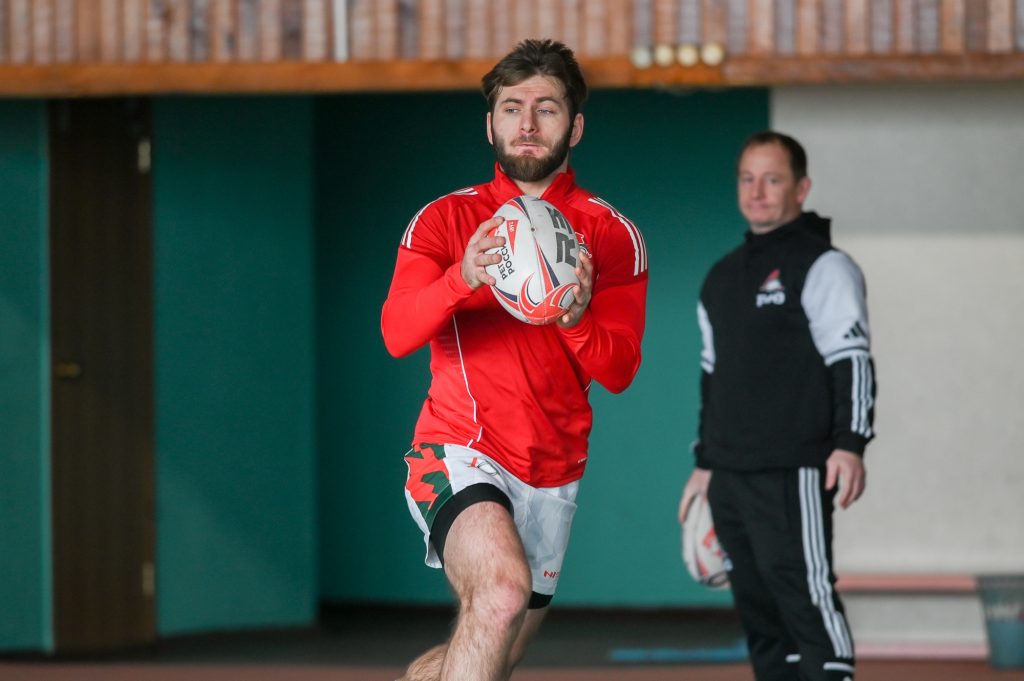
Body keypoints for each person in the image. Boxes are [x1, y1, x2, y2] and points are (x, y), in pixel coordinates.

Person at [381, 39, 648, 681]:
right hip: (457, 450)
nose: (527, 124)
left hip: (553, 473)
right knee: (501, 594)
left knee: (492, 648)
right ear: (490, 124)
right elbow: (396, 332)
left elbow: (619, 370)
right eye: (511, 108)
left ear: (574, 127)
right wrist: (461, 278)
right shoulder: (445, 220)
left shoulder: (612, 234)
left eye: (546, 108)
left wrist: (577, 322)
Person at [678, 131, 876, 681]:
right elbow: (713, 376)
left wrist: (850, 445)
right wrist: (705, 464)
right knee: (762, 618)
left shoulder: (824, 266)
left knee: (807, 602)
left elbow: (852, 360)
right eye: (748, 179)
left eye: (772, 179)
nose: (757, 191)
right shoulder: (720, 278)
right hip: (729, 476)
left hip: (793, 470)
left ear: (801, 188)